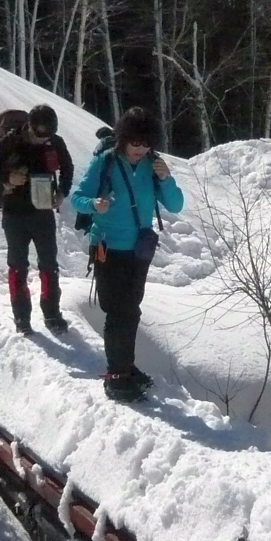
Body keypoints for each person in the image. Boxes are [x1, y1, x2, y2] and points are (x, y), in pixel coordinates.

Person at [71, 107, 183, 402]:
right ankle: (116, 375)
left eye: (146, 144)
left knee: (130, 310)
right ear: (123, 139)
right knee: (117, 311)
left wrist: (167, 178)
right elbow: (77, 198)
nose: (140, 150)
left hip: (138, 251)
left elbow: (176, 204)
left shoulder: (153, 166)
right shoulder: (105, 163)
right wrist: (95, 204)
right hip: (107, 248)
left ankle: (125, 367)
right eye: (135, 143)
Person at [0, 104, 74, 336]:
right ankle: (22, 318)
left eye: (48, 136)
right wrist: (8, 177)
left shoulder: (55, 142)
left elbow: (68, 168)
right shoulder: (11, 141)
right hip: (14, 213)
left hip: (43, 212)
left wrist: (62, 192)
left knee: (49, 265)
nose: (43, 140)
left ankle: (52, 314)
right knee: (18, 266)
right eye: (39, 135)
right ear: (29, 126)